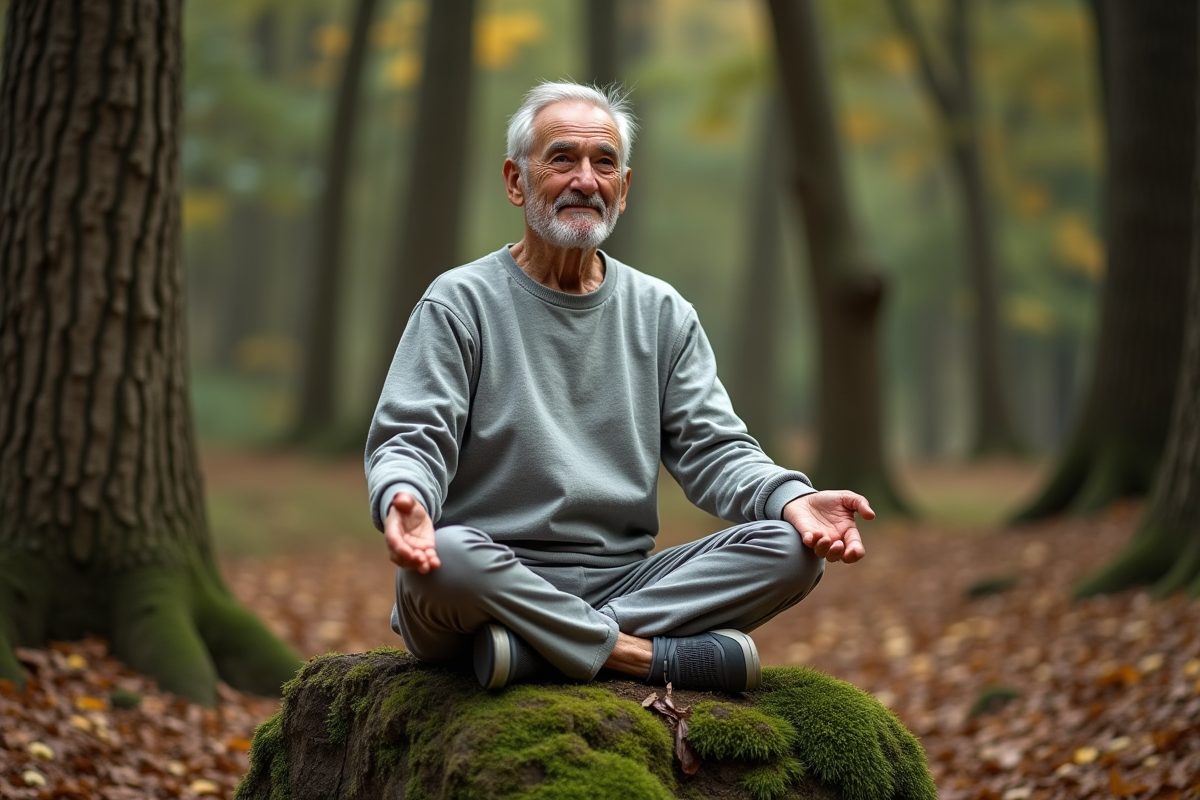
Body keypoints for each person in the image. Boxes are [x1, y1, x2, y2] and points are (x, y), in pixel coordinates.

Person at [365, 81, 873, 694]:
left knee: (792, 551)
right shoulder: (459, 302)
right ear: (515, 181)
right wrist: (405, 494)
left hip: (625, 584)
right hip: (489, 577)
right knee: (449, 561)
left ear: (624, 190)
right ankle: (637, 657)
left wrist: (791, 499)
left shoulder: (662, 312)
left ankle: (534, 649)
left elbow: (714, 449)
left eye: (604, 162)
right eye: (562, 159)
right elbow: (412, 436)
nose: (586, 179)